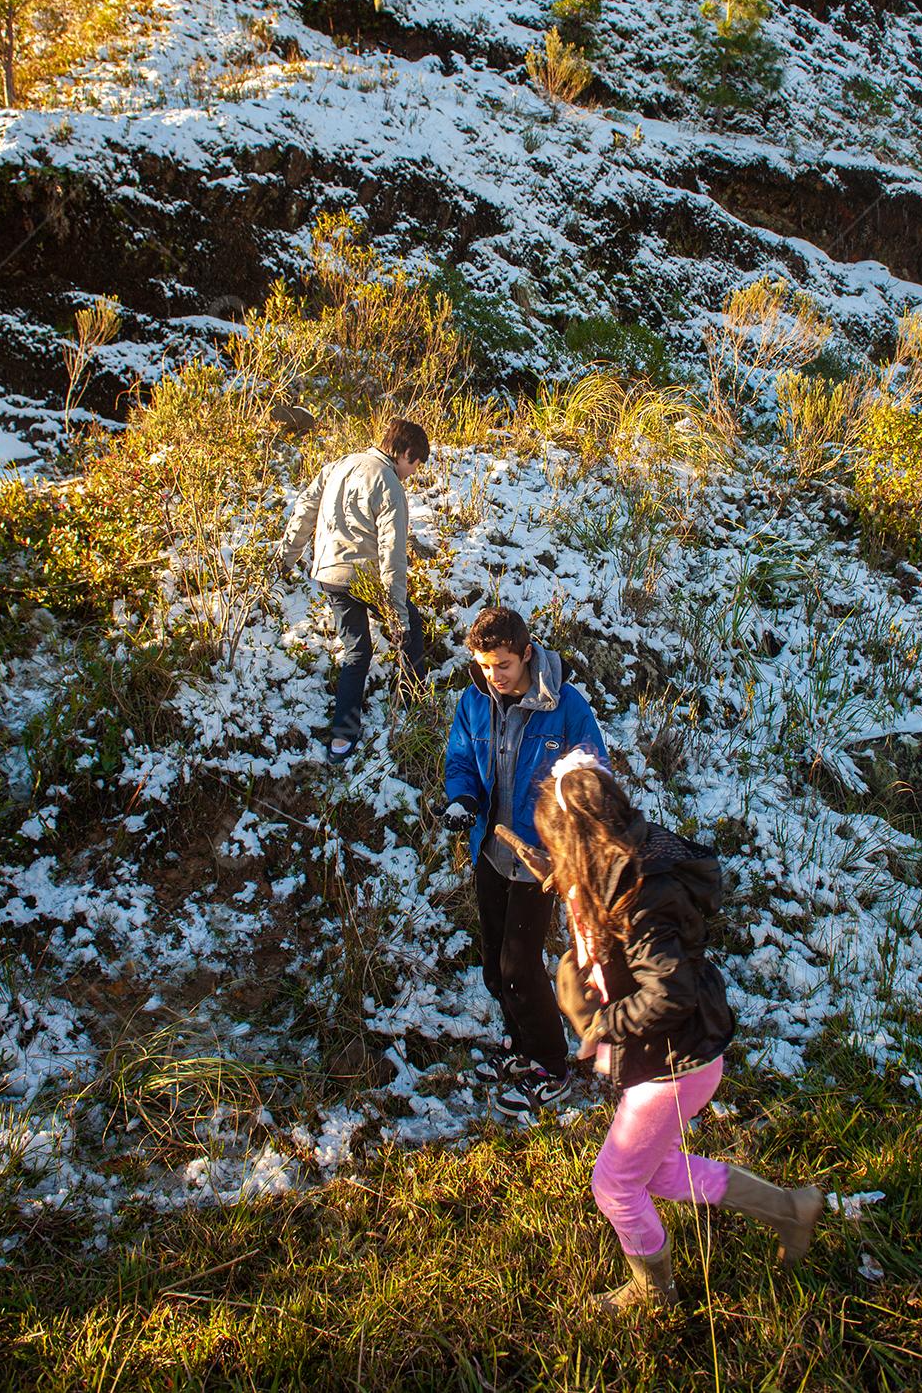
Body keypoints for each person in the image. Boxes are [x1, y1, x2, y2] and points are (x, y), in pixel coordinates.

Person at [533, 749, 824, 1312]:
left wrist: (596, 1023)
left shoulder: (644, 895)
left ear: (580, 838)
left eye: (558, 845)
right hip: (674, 1055)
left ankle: (653, 1291)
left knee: (615, 1186)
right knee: (662, 1170)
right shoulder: (624, 857)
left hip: (672, 1063)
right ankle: (791, 1210)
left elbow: (668, 992)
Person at [444, 606, 607, 1117]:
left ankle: (551, 1064)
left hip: (541, 861)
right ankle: (519, 1045)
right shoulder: (475, 701)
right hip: (491, 851)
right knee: (495, 964)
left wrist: (572, 840)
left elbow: (591, 774)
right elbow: (461, 761)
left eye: (504, 666)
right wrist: (462, 800)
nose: (494, 676)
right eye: (485, 665)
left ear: (527, 655)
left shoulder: (565, 707)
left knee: (519, 964)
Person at [280, 418, 429, 763]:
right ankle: (416, 703)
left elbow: (305, 510)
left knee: (356, 651)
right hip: (365, 576)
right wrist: (396, 615)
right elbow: (392, 555)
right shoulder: (389, 483)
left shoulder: (339, 465)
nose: (412, 473)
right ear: (406, 453)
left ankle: (342, 738)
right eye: (415, 465)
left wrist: (287, 557)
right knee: (411, 628)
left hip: (330, 573)